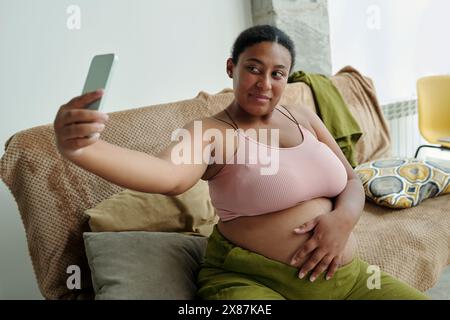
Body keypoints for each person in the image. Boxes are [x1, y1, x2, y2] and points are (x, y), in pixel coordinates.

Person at [53, 25, 429, 300]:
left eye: (277, 73)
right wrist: (84, 150)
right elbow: (168, 176)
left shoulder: (304, 117)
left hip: (347, 281)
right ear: (231, 67)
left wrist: (342, 221)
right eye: (253, 68)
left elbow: (349, 181)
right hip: (251, 283)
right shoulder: (211, 132)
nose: (265, 83)